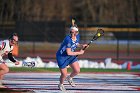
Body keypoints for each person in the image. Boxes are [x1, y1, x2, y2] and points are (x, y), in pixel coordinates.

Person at [56, 26, 88, 91]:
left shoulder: (77, 36)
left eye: (74, 32)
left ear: (77, 33)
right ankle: (61, 84)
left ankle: (70, 78)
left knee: (77, 70)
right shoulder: (68, 40)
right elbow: (69, 52)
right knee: (64, 74)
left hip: (70, 56)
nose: (72, 34)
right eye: (71, 32)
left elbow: (76, 44)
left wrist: (82, 46)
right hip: (62, 57)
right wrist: (80, 52)